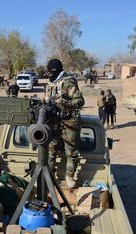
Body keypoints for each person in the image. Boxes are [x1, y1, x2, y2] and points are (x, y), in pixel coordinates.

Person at [45, 58, 85, 188]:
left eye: (50, 72)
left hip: (69, 120)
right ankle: (49, 175)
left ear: (56, 71)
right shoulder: (51, 83)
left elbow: (80, 101)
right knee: (51, 148)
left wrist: (64, 103)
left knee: (71, 151)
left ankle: (69, 176)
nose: (49, 75)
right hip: (54, 120)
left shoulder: (69, 82)